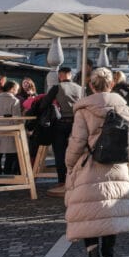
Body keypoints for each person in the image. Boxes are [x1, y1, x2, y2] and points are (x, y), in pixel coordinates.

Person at [64, 67, 129, 257]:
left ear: (91, 85)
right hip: (116, 167)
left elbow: (77, 142)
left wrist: (70, 164)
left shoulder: (84, 110)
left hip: (89, 167)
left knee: (88, 215)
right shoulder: (123, 108)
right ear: (111, 84)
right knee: (110, 216)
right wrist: (127, 156)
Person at [34, 66, 84, 195]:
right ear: (70, 75)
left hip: (61, 123)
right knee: (77, 151)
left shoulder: (57, 87)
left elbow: (44, 104)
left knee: (60, 152)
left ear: (60, 76)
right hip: (77, 123)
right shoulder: (80, 89)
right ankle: (76, 179)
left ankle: (62, 180)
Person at [0, 80, 22, 175]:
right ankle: (7, 175)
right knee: (11, 154)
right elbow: (16, 118)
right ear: (12, 89)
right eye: (16, 89)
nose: (17, 91)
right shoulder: (14, 101)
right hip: (10, 130)